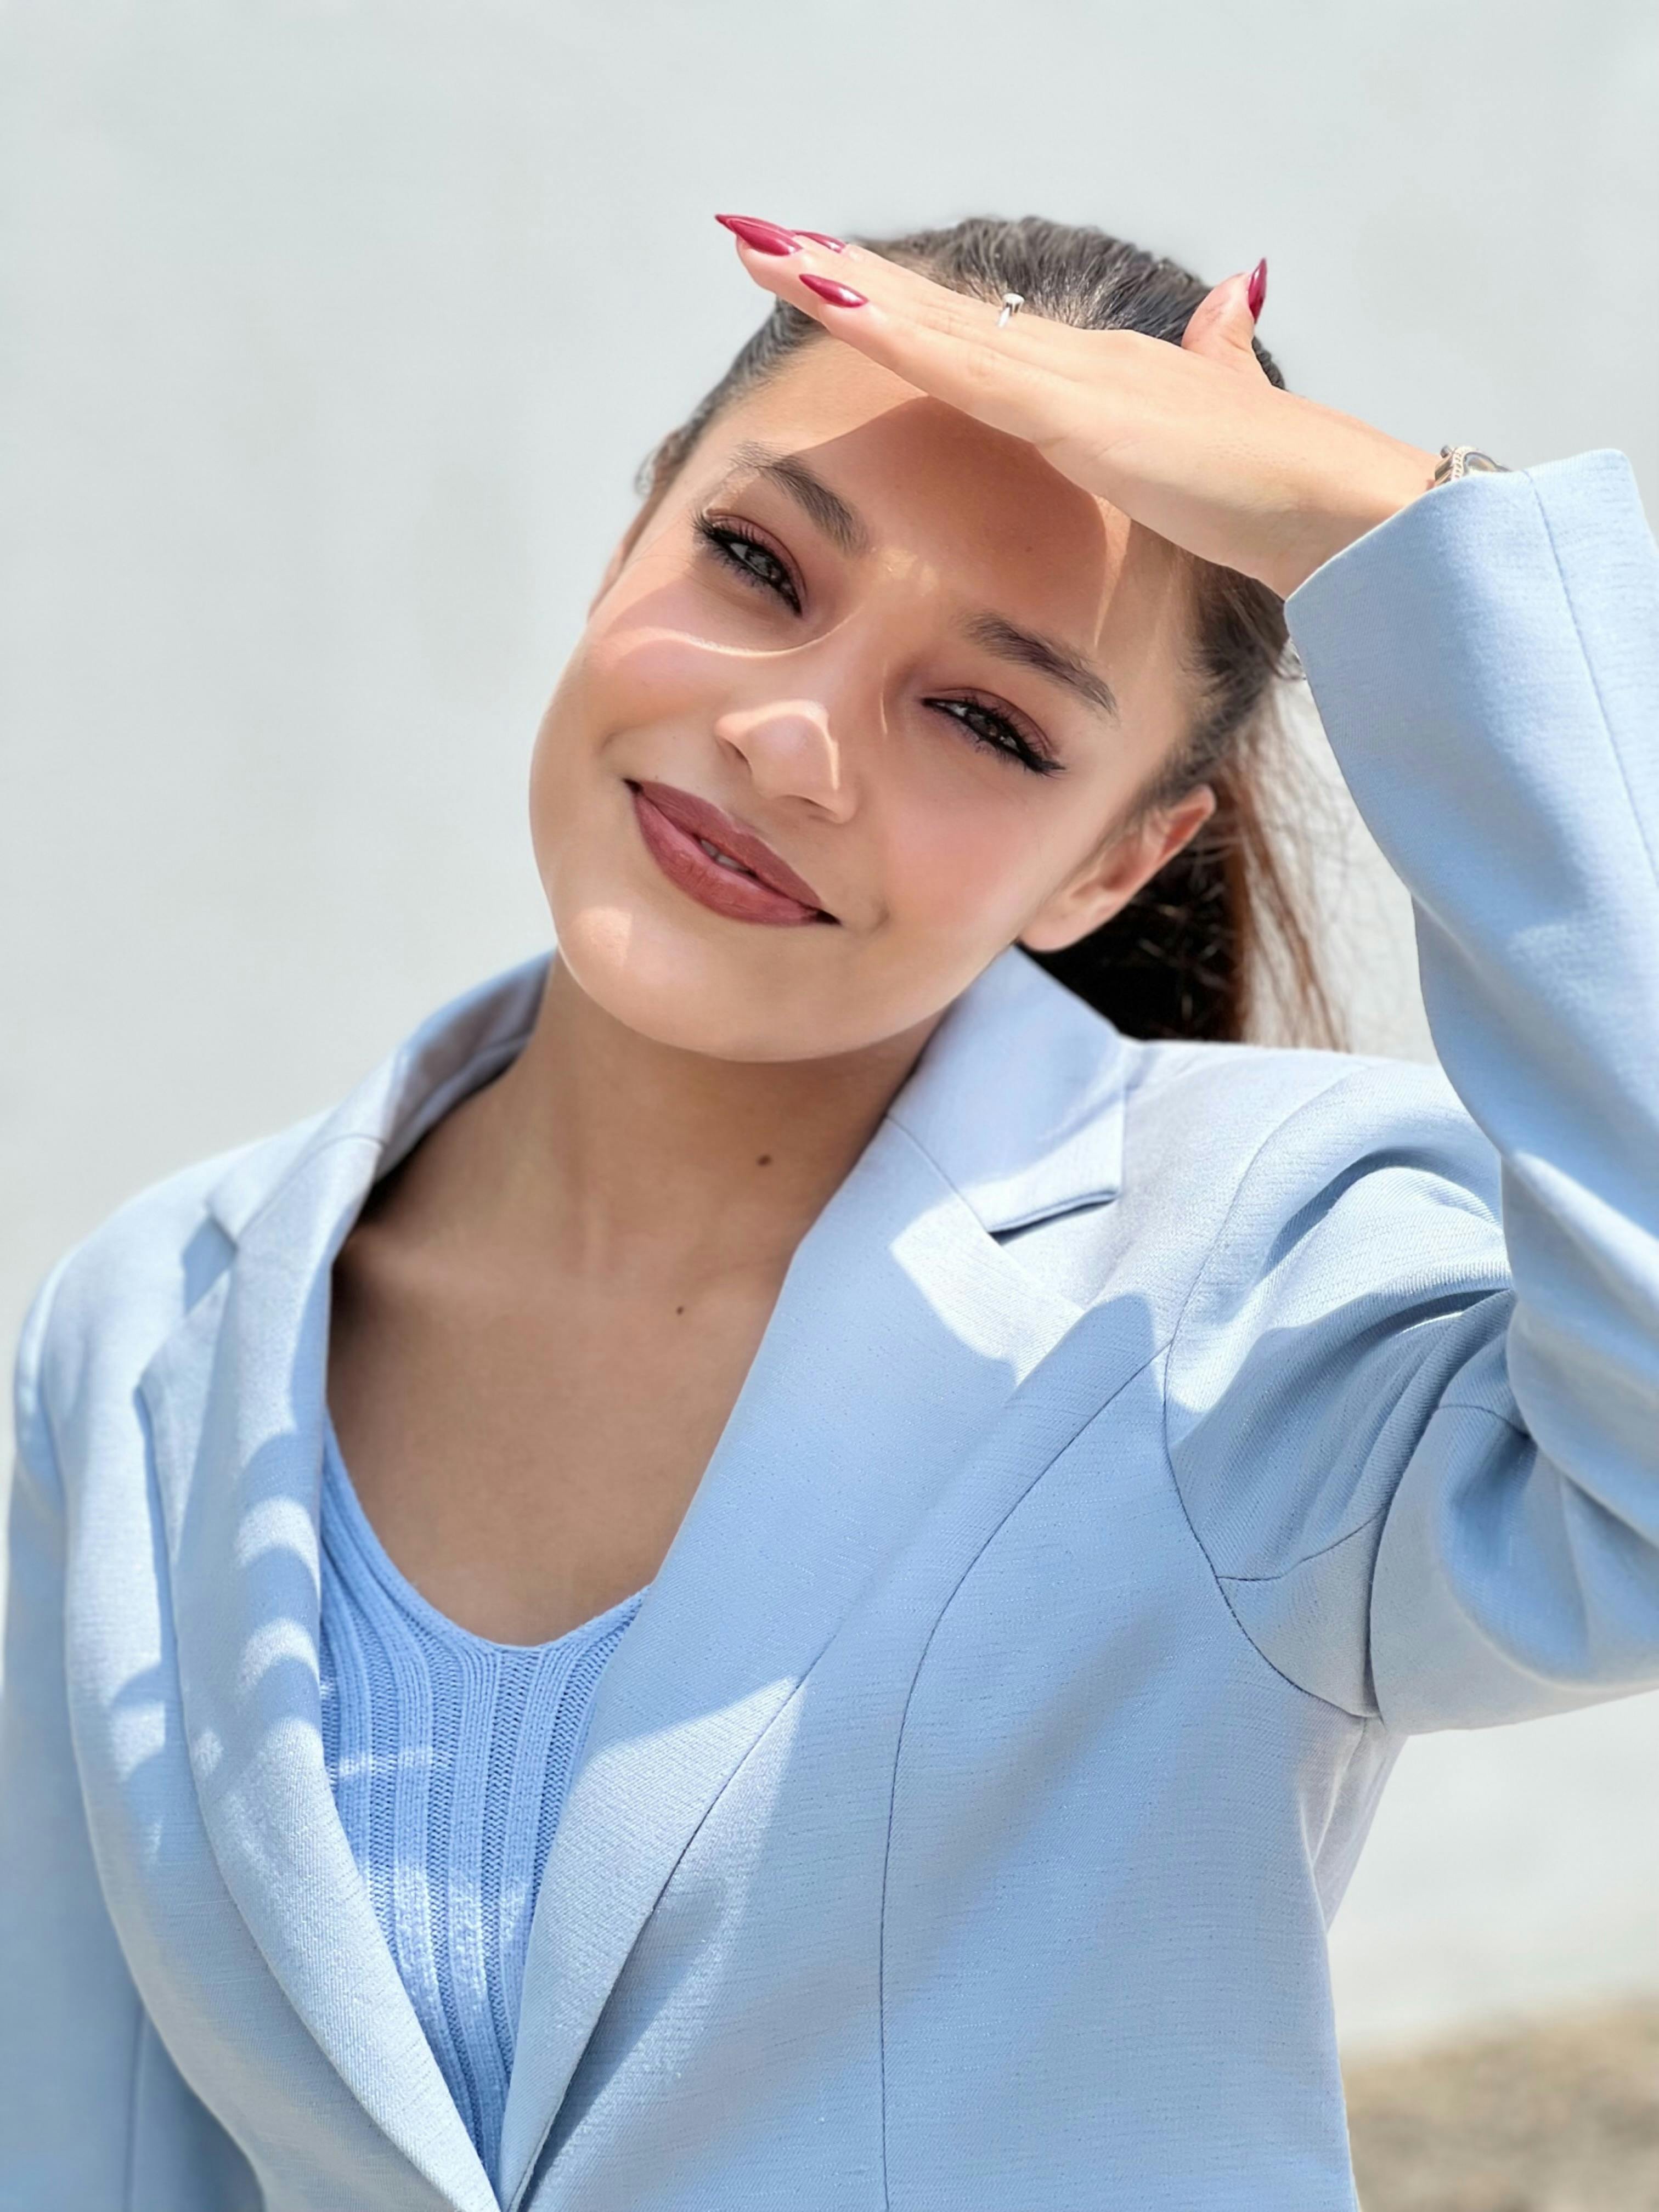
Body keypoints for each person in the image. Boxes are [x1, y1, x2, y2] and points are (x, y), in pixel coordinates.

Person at [2, 208, 1656, 2212]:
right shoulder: (149, 1329)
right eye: (756, 563)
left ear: (1115, 863)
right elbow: (91, 2139)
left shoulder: (1256, 1287)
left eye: (989, 720)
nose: (790, 739)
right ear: (632, 530)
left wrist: (1401, 535)